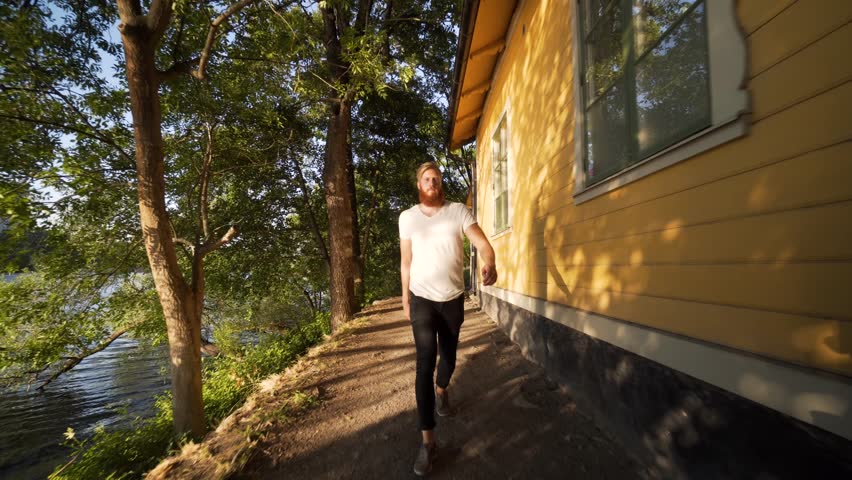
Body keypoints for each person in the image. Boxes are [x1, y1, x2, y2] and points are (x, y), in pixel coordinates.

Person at [399, 161, 497, 476]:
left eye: (437, 179)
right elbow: (406, 262)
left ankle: (443, 389)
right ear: (419, 185)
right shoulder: (408, 218)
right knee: (424, 361)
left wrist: (490, 261)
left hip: (452, 300)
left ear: (441, 184)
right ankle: (428, 441)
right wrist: (405, 296)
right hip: (422, 299)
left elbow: (482, 243)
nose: (433, 182)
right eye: (428, 179)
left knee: (449, 357)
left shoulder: (458, 212)